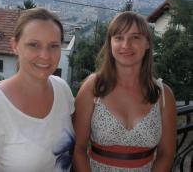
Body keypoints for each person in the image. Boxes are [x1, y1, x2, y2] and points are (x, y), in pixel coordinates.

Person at [0, 8, 75, 172]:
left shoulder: (62, 89)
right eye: (34, 45)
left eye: (53, 46)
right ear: (14, 46)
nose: (45, 55)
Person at [73, 11, 177, 172]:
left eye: (135, 37)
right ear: (110, 43)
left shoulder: (163, 95)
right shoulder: (93, 87)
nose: (126, 45)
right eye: (119, 38)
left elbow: (166, 154)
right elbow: (77, 149)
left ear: (147, 43)